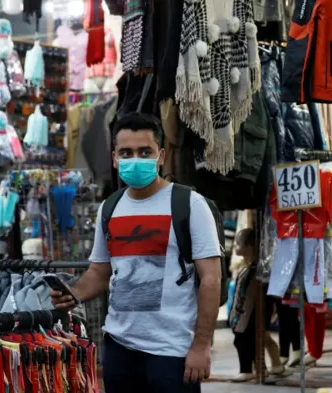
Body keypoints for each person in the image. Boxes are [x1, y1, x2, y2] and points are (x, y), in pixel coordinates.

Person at [50, 112, 222, 393]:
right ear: (115, 159)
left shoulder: (190, 204)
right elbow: (99, 272)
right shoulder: (110, 207)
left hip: (172, 350)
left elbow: (211, 279)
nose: (136, 159)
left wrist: (201, 346)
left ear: (161, 156)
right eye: (126, 153)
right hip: (120, 348)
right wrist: (73, 293)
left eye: (145, 152)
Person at [229, 228, 284, 381]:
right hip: (251, 313)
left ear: (249, 247)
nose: (235, 247)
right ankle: (261, 368)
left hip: (249, 314)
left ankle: (246, 370)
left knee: (242, 340)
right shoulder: (254, 269)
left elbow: (249, 298)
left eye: (238, 244)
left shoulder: (254, 271)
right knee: (254, 341)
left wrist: (240, 317)